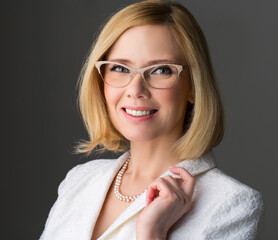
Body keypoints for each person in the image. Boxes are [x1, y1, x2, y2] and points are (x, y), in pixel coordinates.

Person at [40, 0, 263, 239]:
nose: (135, 90)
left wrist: (152, 233)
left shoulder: (231, 202)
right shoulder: (80, 180)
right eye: (120, 68)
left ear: (194, 87)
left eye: (161, 70)